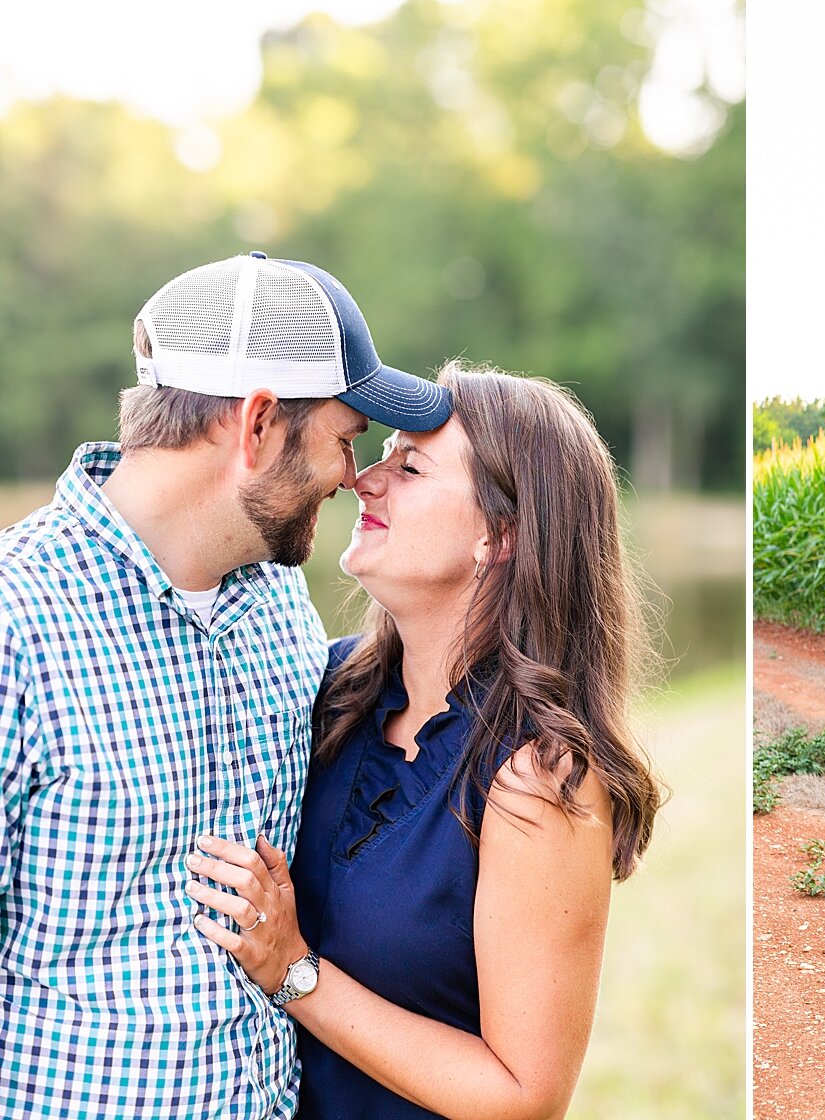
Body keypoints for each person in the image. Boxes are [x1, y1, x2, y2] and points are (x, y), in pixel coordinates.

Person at [0, 252, 452, 1117]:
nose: (353, 476)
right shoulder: (18, 625)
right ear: (255, 427)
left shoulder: (280, 600)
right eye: (345, 437)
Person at [183, 361, 662, 1120]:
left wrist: (294, 970)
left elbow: (523, 1096)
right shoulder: (332, 691)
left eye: (409, 466)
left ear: (500, 535)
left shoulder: (538, 776)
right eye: (380, 457)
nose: (364, 480)